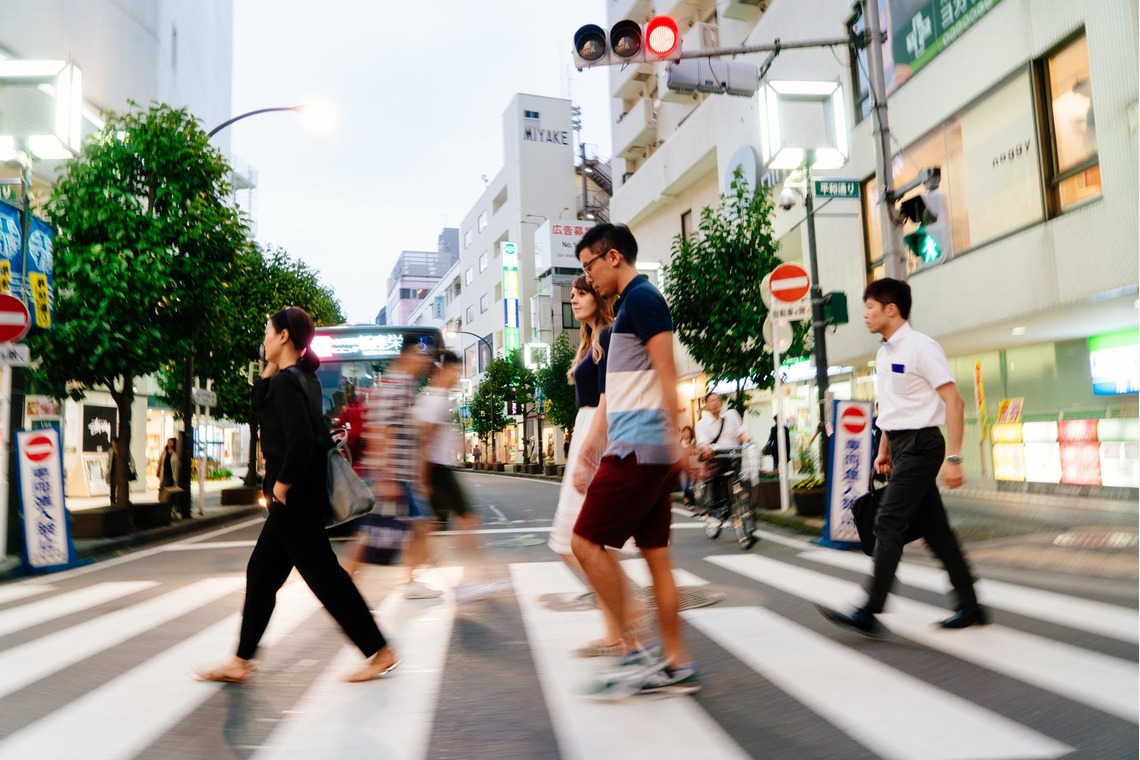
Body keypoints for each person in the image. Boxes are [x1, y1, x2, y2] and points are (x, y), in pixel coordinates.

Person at [195, 306, 398, 683]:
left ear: (284, 336)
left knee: (325, 578)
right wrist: (269, 368)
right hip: (298, 497)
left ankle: (380, 650)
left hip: (294, 497)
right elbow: (260, 406)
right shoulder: (303, 378)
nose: (264, 339)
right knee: (263, 573)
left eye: (268, 332)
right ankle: (241, 660)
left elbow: (301, 440)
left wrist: (281, 485)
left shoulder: (291, 381)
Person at [817, 278, 988, 637]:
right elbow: (890, 407)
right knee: (936, 531)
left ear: (890, 309)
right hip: (900, 446)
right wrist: (883, 449)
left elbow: (954, 401)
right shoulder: (884, 353)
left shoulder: (921, 347)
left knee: (888, 522)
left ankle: (870, 608)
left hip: (924, 445)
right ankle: (970, 604)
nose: (864, 314)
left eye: (870, 307)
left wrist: (955, 458)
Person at [571, 223, 699, 697]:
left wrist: (678, 440)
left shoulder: (644, 300)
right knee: (657, 560)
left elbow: (668, 374)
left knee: (584, 543)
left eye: (590, 266)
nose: (588, 278)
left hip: (639, 451)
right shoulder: (628, 307)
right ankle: (676, 662)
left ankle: (636, 651)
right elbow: (625, 389)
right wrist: (591, 444)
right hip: (642, 449)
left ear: (614, 257)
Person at [548, 274, 635, 658]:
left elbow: (607, 399)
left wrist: (588, 450)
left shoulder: (607, 336)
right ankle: (616, 626)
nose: (575, 299)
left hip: (597, 432)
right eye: (571, 294)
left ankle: (623, 617)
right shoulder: (591, 340)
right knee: (586, 541)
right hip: (589, 430)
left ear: (598, 297)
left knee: (577, 540)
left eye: (582, 293)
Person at [347, 333, 436, 598]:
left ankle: (410, 581)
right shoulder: (396, 387)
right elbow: (382, 430)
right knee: (370, 537)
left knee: (417, 525)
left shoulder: (400, 384)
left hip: (399, 474)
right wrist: (385, 478)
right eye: (422, 355)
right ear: (407, 355)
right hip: (394, 474)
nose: (426, 361)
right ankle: (343, 584)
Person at [415, 349, 502, 601]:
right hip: (438, 471)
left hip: (437, 470)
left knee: (428, 527)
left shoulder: (434, 396)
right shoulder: (436, 399)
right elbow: (425, 439)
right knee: (468, 520)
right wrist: (422, 479)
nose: (457, 375)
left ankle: (414, 577)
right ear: (442, 370)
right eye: (455, 370)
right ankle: (472, 581)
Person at [695, 391, 747, 457]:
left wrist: (749, 443)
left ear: (721, 403)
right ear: (706, 405)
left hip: (735, 457)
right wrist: (706, 449)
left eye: (718, 400)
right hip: (716, 459)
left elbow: (741, 434)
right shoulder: (701, 424)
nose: (715, 403)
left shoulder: (732, 414)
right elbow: (702, 442)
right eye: (712, 401)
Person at [678, 426, 697, 507]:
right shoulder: (679, 445)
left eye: (687, 431)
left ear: (691, 433)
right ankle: (687, 498)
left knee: (691, 486)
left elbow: (697, 457)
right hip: (682, 469)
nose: (685, 433)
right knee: (685, 487)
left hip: (692, 469)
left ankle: (691, 503)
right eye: (684, 431)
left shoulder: (694, 444)